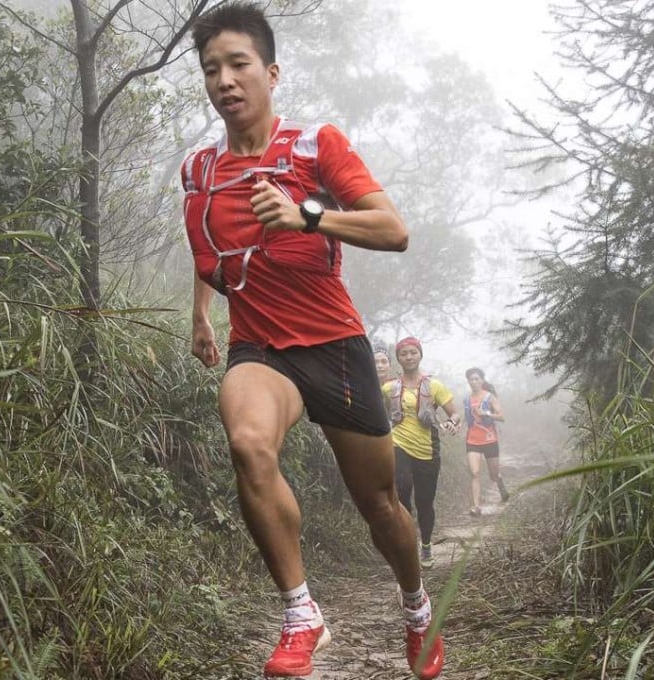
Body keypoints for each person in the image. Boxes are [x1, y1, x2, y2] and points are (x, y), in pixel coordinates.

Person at [182, 5, 444, 679]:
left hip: (335, 346)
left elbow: (394, 230)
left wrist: (310, 216)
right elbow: (209, 245)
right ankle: (302, 614)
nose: (225, 80)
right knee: (247, 442)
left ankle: (416, 608)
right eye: (212, 69)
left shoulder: (312, 147)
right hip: (261, 349)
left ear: (270, 73)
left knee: (381, 507)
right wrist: (200, 314)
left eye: (238, 64)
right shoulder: (199, 170)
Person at [382, 337, 460, 569]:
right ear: (398, 358)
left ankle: (426, 544)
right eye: (403, 353)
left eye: (412, 352)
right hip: (399, 445)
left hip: (427, 449)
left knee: (425, 502)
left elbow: (454, 413)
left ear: (420, 355)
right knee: (402, 494)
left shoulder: (434, 386)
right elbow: (378, 413)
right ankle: (406, 547)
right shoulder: (389, 388)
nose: (408, 357)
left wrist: (451, 423)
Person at [463, 367, 509, 514]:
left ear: (482, 380)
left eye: (477, 378)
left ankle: (499, 481)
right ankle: (476, 507)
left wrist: (487, 413)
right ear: (468, 381)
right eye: (471, 379)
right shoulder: (466, 399)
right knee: (474, 473)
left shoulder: (489, 397)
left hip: (489, 440)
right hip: (472, 440)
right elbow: (466, 418)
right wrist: (455, 426)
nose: (474, 381)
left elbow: (501, 416)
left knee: (493, 475)